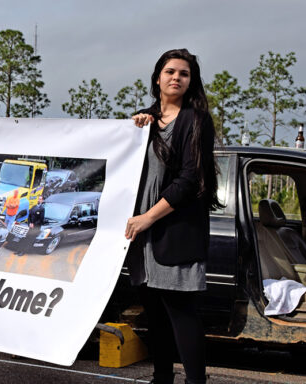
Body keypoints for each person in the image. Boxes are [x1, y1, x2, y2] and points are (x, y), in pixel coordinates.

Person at [125, 49, 221, 384]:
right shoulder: (144, 120)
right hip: (143, 235)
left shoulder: (196, 120)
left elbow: (191, 179)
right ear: (157, 78)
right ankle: (161, 377)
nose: (176, 78)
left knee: (183, 314)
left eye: (184, 73)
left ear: (191, 81)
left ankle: (196, 381)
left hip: (174, 230)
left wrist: (148, 217)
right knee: (155, 315)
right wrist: (134, 128)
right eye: (170, 71)